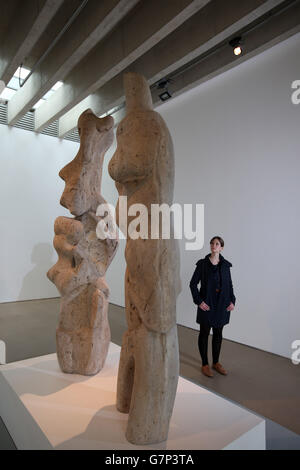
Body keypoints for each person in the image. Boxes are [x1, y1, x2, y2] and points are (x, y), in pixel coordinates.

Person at [189, 236, 236, 377]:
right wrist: (199, 301)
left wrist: (232, 300)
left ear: (221, 247)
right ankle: (205, 364)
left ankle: (216, 362)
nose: (213, 245)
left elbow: (230, 285)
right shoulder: (202, 264)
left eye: (217, 244)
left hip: (222, 306)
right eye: (212, 243)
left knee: (218, 334)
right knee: (204, 333)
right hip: (207, 305)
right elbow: (192, 284)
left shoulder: (226, 265)